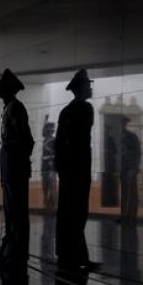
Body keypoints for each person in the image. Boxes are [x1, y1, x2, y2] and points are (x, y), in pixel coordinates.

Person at [55, 69, 99, 272]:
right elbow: (80, 141)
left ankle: (67, 254)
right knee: (78, 213)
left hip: (67, 169)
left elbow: (58, 143)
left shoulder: (65, 111)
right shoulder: (86, 109)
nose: (91, 88)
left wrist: (61, 168)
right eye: (88, 85)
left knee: (67, 211)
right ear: (82, 88)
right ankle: (80, 257)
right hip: (80, 167)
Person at [0, 69, 34, 268]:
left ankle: (17, 254)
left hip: (15, 170)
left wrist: (15, 158)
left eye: (1, 86)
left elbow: (27, 141)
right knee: (10, 212)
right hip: (9, 168)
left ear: (8, 89)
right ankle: (9, 252)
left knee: (17, 213)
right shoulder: (8, 108)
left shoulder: (16, 109)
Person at [119, 115, 141, 222]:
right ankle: (124, 215)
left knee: (131, 193)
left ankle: (132, 217)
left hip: (130, 168)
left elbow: (137, 153)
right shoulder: (118, 137)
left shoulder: (132, 137)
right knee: (124, 193)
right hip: (122, 169)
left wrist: (135, 167)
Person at [41, 116, 57, 214]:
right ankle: (47, 206)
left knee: (51, 188)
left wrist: (50, 158)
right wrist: (45, 120)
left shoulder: (53, 140)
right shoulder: (45, 139)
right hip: (45, 167)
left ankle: (52, 207)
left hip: (51, 167)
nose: (47, 132)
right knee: (45, 188)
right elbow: (42, 132)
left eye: (48, 130)